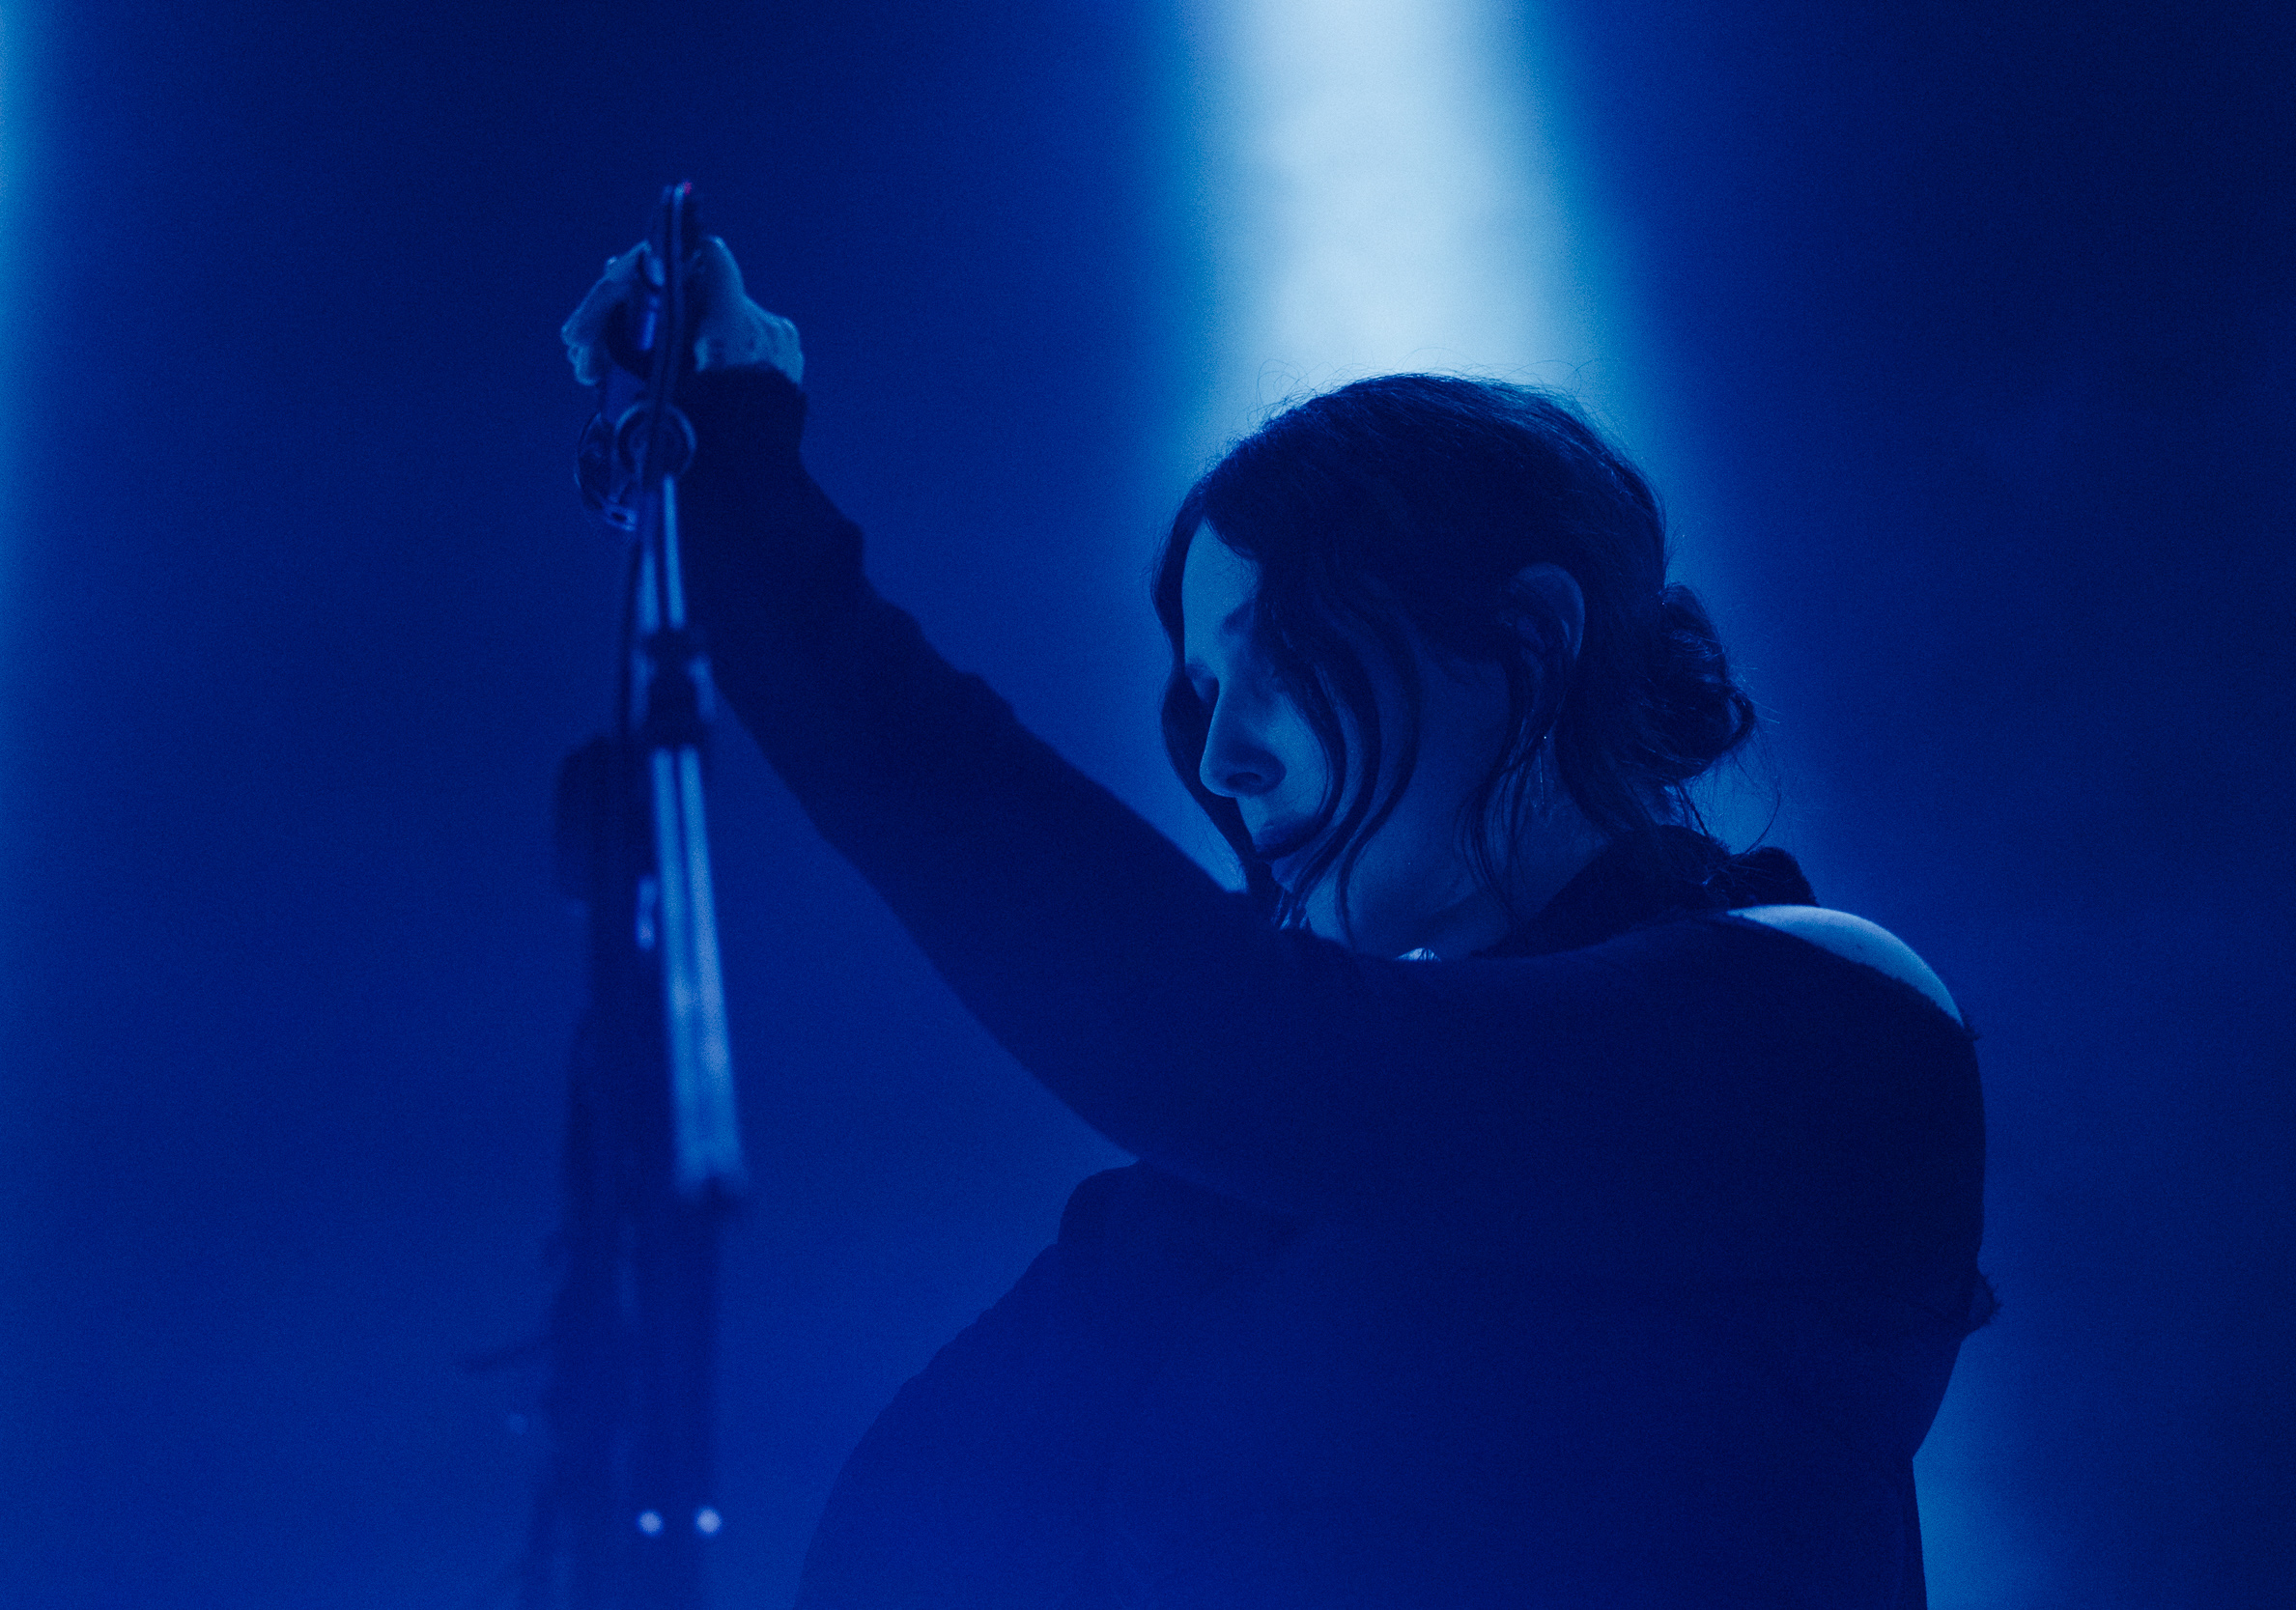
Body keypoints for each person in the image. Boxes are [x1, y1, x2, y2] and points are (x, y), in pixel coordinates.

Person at [563, 240, 1991, 1610]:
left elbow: (1233, 1035)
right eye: (1200, 690)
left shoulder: (1826, 1022)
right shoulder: (1219, 1212)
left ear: (1532, 639)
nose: (1224, 756)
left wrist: (749, 513)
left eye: (1280, 661)